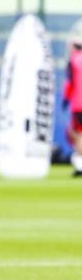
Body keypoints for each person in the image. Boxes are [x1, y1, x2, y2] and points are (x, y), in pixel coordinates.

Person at [62, 37, 82, 176]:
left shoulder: (74, 61)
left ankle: (80, 166)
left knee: (78, 134)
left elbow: (70, 83)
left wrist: (65, 99)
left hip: (79, 104)